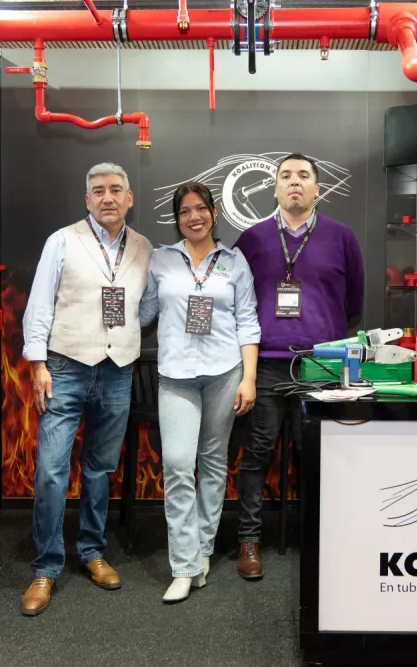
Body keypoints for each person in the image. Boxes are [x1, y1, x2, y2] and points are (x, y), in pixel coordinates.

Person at [19, 162, 152, 616]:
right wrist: (38, 364)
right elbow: (39, 304)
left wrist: (126, 332)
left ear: (129, 198)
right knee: (51, 470)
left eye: (116, 189)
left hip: (118, 370)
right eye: (98, 191)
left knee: (100, 468)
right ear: (87, 199)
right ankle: (46, 566)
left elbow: (146, 306)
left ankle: (92, 550)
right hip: (65, 367)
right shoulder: (62, 240)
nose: (107, 197)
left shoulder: (143, 248)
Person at [232, 153, 365, 579]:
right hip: (267, 365)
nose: (295, 182)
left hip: (321, 367)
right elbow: (235, 303)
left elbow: (354, 304)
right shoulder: (251, 240)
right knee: (256, 453)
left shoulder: (342, 237)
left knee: (320, 453)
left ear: (316, 189)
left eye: (303, 176)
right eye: (286, 176)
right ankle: (249, 539)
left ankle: (321, 537)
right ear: (275, 189)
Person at [139, 181, 261, 603]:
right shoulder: (161, 259)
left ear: (213, 212)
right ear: (177, 219)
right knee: (176, 463)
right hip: (176, 374)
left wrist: (249, 377)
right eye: (185, 211)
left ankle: (203, 550)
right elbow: (146, 312)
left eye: (201, 209)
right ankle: (184, 566)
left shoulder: (235, 262)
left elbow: (248, 321)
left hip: (225, 371)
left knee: (212, 460)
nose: (194, 217)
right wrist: (110, 300)